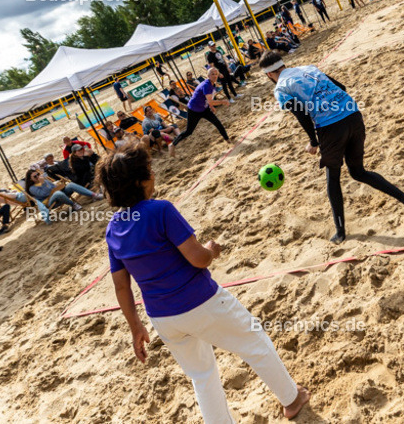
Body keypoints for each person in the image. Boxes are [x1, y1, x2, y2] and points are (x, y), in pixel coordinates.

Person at [97, 145, 311, 422]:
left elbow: (122, 287)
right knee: (255, 342)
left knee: (202, 376)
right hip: (201, 301)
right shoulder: (160, 210)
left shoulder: (113, 229)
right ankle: (292, 400)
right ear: (140, 182)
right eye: (150, 171)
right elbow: (198, 259)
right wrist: (212, 250)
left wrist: (135, 326)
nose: (154, 175)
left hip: (163, 318)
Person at [258, 51, 404, 244]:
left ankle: (340, 232)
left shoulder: (281, 87)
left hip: (331, 127)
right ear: (283, 64)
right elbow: (341, 87)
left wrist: (314, 142)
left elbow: (301, 114)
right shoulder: (308, 69)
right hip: (353, 115)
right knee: (358, 172)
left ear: (269, 74)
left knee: (333, 178)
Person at [172, 67, 232, 150]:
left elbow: (207, 99)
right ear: (208, 75)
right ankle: (173, 144)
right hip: (193, 110)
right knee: (189, 131)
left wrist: (211, 107)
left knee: (217, 123)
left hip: (204, 108)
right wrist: (222, 101)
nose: (215, 76)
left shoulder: (212, 84)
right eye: (213, 74)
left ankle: (228, 140)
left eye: (216, 74)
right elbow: (211, 101)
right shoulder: (206, 85)